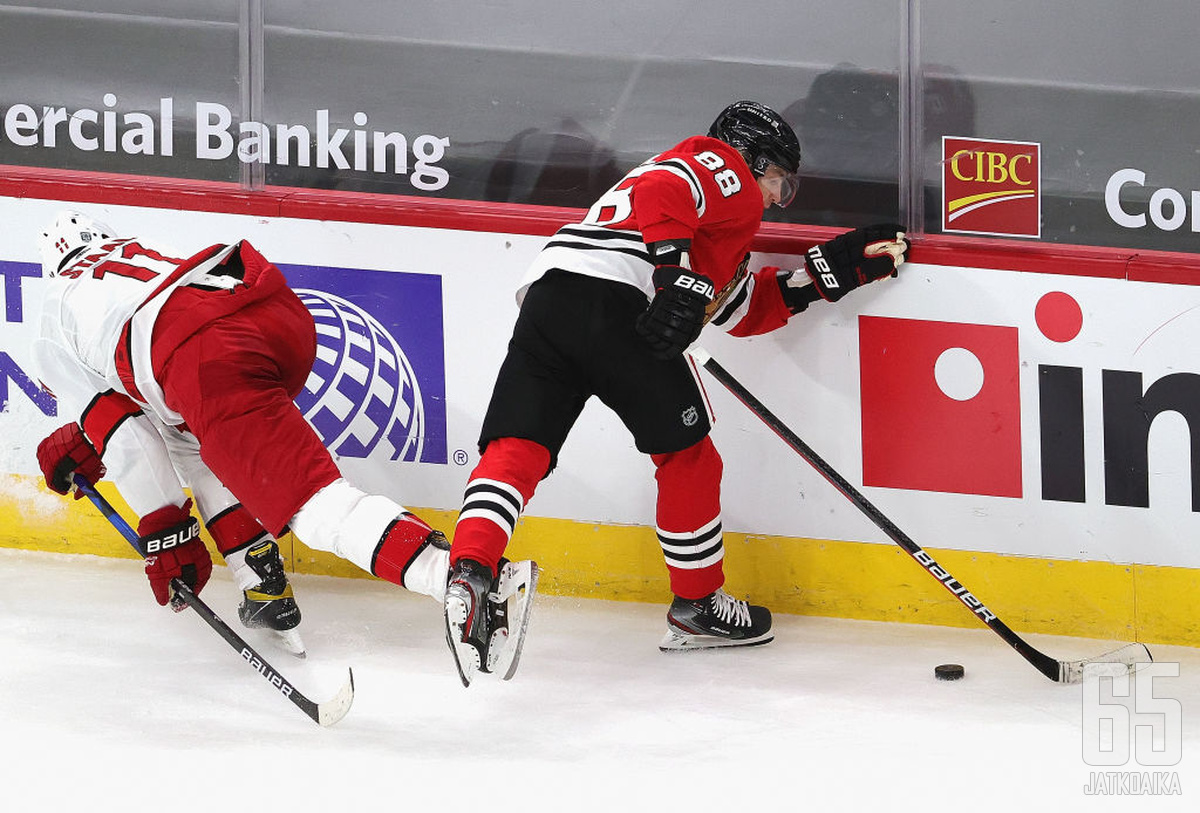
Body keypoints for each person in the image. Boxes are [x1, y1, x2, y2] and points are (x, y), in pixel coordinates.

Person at [443, 100, 910, 680]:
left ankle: (470, 569)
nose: (774, 198)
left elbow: (738, 308)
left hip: (551, 297)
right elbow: (667, 188)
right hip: (621, 304)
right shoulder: (724, 169)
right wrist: (670, 273)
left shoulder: (709, 229)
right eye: (780, 182)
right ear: (754, 159)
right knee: (687, 455)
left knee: (520, 445)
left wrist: (828, 274)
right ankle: (697, 606)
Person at [32, 210, 534, 668]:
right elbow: (157, 416)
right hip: (269, 308)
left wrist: (167, 533)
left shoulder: (53, 315)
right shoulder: (137, 247)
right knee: (209, 445)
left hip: (206, 351)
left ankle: (461, 579)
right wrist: (87, 434)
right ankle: (261, 585)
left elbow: (126, 439)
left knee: (312, 505)